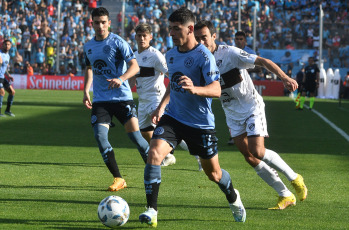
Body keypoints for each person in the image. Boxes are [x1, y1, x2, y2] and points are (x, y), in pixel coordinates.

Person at [138, 8, 246, 228]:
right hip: (173, 117)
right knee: (154, 153)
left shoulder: (204, 56)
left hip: (200, 124)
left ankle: (234, 198)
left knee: (214, 174)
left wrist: (195, 89)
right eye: (170, 29)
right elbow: (174, 83)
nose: (172, 33)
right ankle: (152, 210)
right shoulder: (171, 54)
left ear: (189, 29)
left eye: (176, 29)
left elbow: (216, 89)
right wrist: (161, 107)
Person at [194, 20, 308, 210]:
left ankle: (295, 178)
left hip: (251, 107)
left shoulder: (229, 53)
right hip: (231, 113)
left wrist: (285, 77)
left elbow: (262, 61)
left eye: (204, 37)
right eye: (197, 39)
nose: (201, 42)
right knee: (249, 156)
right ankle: (285, 194)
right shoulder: (198, 60)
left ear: (213, 36)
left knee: (258, 151)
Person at [83, 7, 149, 192]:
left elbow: (135, 67)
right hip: (101, 100)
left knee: (136, 138)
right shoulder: (87, 46)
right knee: (99, 136)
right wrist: (86, 90)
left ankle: (152, 170)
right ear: (92, 23)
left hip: (122, 98)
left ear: (109, 23)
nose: (100, 26)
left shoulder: (118, 42)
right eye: (97, 22)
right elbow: (89, 68)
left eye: (104, 22)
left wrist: (121, 79)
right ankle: (118, 178)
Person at [130, 23, 202, 170]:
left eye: (145, 36)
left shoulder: (155, 55)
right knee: (145, 131)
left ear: (150, 37)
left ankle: (199, 156)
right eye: (139, 36)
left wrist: (180, 86)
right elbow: (133, 78)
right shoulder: (134, 56)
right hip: (143, 100)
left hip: (156, 98)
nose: (142, 38)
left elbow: (171, 73)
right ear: (135, 37)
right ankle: (168, 156)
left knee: (171, 131)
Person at [0, 40, 16, 117]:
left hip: (2, 77)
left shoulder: (8, 56)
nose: (7, 46)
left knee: (12, 92)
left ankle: (7, 110)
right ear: (2, 45)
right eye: (5, 44)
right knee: (2, 92)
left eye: (8, 45)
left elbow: (4, 68)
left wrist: (8, 75)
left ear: (10, 46)